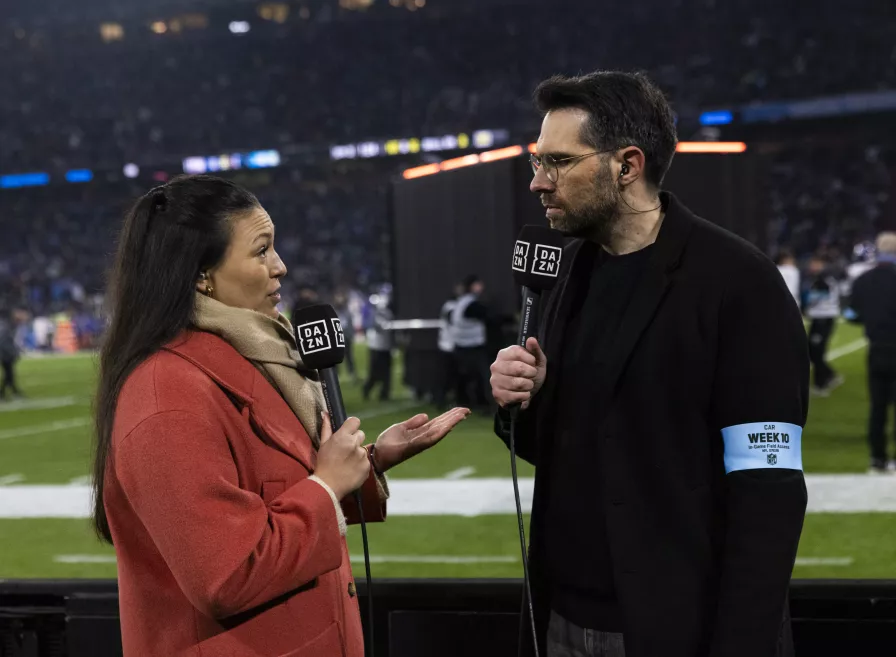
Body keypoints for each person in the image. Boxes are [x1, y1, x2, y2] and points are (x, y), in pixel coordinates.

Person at [490, 71, 808, 657]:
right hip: (561, 616)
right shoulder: (565, 277)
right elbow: (564, 447)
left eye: (557, 162)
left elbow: (769, 488)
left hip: (682, 625)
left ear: (627, 165)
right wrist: (522, 397)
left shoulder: (738, 282)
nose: (537, 181)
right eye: (538, 160)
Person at [91, 174, 470, 657]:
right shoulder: (167, 392)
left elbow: (273, 493)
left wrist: (367, 464)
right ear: (199, 273)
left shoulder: (250, 355)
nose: (281, 267)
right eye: (261, 250)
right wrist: (328, 486)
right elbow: (225, 574)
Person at [849, 232, 896, 474]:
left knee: (877, 407)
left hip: (876, 349)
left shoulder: (864, 279)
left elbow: (851, 314)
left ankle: (877, 458)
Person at [451, 275, 493, 412]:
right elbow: (487, 314)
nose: (481, 287)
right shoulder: (471, 304)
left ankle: (463, 403)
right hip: (472, 347)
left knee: (464, 377)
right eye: (477, 284)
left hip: (460, 346)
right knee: (481, 377)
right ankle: (482, 404)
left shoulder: (460, 302)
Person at [804, 253, 844, 396]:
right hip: (820, 317)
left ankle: (821, 385)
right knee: (813, 350)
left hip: (823, 318)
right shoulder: (824, 278)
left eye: (815, 263)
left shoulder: (823, 279)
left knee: (817, 351)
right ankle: (830, 375)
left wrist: (804, 304)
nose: (811, 266)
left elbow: (816, 298)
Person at [0, 310, 23, 400]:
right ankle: (7, 392)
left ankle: (12, 391)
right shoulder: (7, 326)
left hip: (5, 354)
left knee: (9, 374)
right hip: (5, 355)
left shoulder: (7, 325)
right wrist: (14, 353)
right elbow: (5, 342)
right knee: (9, 374)